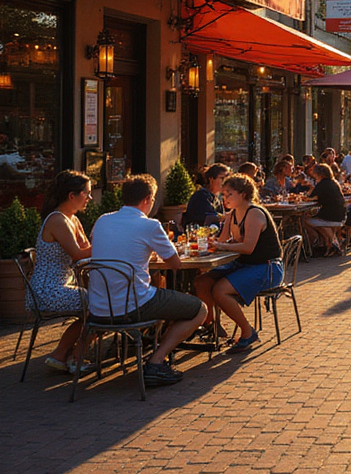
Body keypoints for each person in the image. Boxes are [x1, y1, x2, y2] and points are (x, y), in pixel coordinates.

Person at [89, 174, 206, 386]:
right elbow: (175, 264)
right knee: (200, 309)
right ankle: (156, 361)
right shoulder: (149, 225)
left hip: (98, 308)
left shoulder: (102, 220)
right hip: (132, 306)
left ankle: (146, 344)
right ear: (147, 199)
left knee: (156, 290)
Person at [196, 173, 283, 354]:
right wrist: (210, 243)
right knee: (202, 282)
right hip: (244, 265)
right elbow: (222, 241)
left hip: (266, 267)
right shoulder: (232, 214)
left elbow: (249, 247)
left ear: (243, 194)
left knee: (219, 290)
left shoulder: (254, 213)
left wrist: (221, 245)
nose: (224, 198)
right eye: (224, 194)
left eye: (229, 194)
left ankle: (247, 332)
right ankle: (212, 326)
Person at [29, 170, 94, 374]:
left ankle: (62, 355)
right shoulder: (58, 220)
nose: (90, 198)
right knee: (104, 305)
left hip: (61, 286)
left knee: (104, 302)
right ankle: (73, 355)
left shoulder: (71, 219)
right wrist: (108, 239)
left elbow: (86, 250)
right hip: (47, 291)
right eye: (87, 193)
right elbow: (77, 254)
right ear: (72, 195)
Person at [303, 163, 347, 255]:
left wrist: (311, 187)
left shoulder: (322, 184)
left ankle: (326, 242)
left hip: (331, 217)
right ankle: (328, 243)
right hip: (341, 215)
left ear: (319, 174)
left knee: (304, 220)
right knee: (319, 221)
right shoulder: (334, 183)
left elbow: (310, 196)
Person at [183, 163, 227, 229]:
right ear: (211, 179)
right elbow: (208, 218)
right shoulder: (201, 196)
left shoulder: (217, 199)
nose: (225, 182)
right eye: (222, 178)